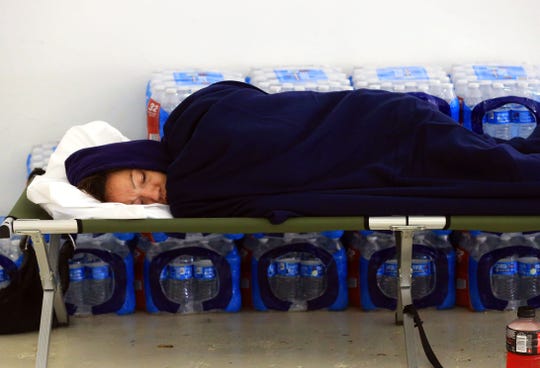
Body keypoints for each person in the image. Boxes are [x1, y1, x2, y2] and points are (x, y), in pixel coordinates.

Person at [66, 80, 540, 224]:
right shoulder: (197, 189)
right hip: (376, 157)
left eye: (141, 181)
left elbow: (246, 103)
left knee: (506, 170)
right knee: (501, 168)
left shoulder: (196, 128)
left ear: (139, 157)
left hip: (381, 128)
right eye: (142, 203)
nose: (154, 194)